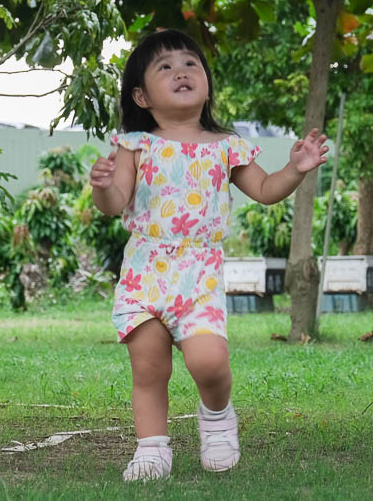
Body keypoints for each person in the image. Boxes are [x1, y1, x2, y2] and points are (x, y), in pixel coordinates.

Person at [89, 29, 328, 480]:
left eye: (190, 63)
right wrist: (102, 187)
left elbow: (264, 189)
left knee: (210, 362)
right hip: (145, 274)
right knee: (149, 366)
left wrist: (294, 169)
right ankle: (152, 449)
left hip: (199, 276)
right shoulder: (134, 146)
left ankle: (217, 418)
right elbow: (116, 203)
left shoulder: (227, 146)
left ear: (206, 82)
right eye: (165, 67)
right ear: (141, 95)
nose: (181, 70)